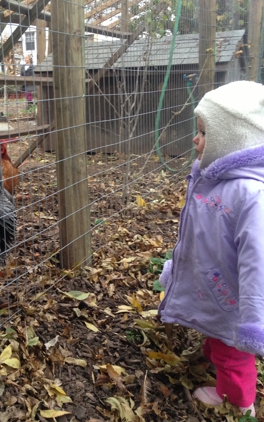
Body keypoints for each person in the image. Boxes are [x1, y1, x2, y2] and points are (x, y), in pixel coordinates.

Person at [158, 80, 264, 418]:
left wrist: (254, 321)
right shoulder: (208, 178)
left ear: (232, 139)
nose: (195, 139)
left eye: (204, 132)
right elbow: (193, 235)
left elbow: (257, 262)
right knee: (219, 345)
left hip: (233, 300)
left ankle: (240, 403)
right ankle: (221, 375)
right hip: (214, 290)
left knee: (233, 355)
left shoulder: (250, 195)